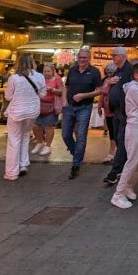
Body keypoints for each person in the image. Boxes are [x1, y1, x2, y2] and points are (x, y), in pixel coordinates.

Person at [111, 63, 138, 209]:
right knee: (133, 160)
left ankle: (128, 185)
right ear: (136, 75)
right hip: (134, 127)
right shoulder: (134, 89)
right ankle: (118, 194)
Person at [4, 54, 46, 181]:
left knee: (14, 140)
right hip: (32, 111)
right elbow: (43, 94)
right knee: (25, 135)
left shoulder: (14, 78)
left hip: (16, 112)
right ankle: (23, 164)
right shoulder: (40, 76)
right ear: (32, 63)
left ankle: (11, 172)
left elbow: (8, 97)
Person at [62, 48, 103, 180]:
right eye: (80, 57)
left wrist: (84, 95)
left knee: (81, 136)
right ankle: (77, 154)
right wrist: (64, 102)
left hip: (84, 107)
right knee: (65, 134)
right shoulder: (72, 70)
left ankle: (76, 165)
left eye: (84, 58)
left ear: (89, 58)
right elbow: (66, 86)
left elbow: (99, 90)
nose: (82, 60)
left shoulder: (94, 72)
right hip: (69, 107)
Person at [103, 47, 133, 185]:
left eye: (115, 55)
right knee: (119, 139)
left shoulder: (129, 70)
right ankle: (122, 167)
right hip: (116, 111)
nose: (113, 57)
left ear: (122, 56)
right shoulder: (118, 70)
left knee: (121, 139)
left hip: (124, 112)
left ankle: (115, 171)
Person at [32, 63, 63, 157]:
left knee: (49, 126)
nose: (46, 73)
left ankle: (48, 146)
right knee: (35, 125)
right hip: (39, 105)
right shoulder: (40, 78)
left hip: (52, 106)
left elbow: (61, 91)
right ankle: (40, 142)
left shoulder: (57, 79)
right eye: (45, 71)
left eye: (48, 71)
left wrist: (53, 90)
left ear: (53, 71)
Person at [98, 62, 118, 164]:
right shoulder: (106, 80)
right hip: (108, 109)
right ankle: (112, 152)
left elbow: (105, 91)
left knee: (116, 131)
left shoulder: (116, 80)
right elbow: (102, 93)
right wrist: (99, 106)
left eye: (111, 71)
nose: (109, 73)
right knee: (112, 131)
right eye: (108, 71)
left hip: (116, 109)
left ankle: (115, 152)